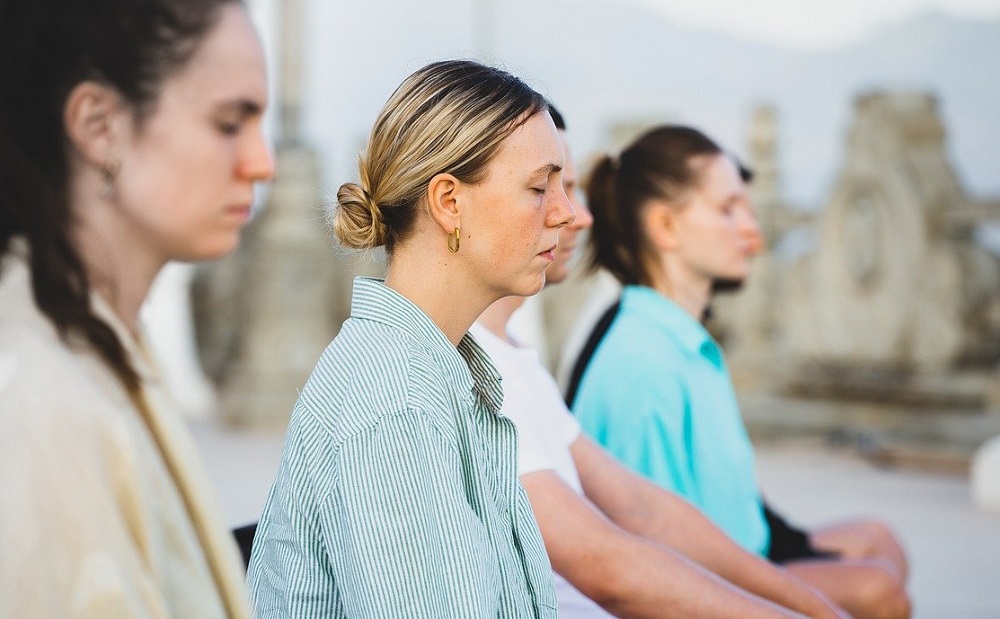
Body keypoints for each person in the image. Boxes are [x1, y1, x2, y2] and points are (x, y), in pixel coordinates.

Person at [473, 106, 846, 619]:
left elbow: (644, 510)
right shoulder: (466, 367)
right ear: (452, 203)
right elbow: (613, 565)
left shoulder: (511, 358)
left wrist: (809, 605)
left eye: (572, 191)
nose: (575, 217)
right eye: (541, 190)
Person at [247, 60, 573, 618]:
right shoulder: (395, 405)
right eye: (540, 187)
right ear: (449, 202)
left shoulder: (441, 376)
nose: (565, 213)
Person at [0, 0, 273, 616]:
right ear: (99, 125)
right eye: (230, 123)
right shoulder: (46, 399)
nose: (263, 163)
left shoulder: (98, 344)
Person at [570, 125, 911, 619]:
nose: (753, 231)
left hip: (746, 548)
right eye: (729, 209)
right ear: (665, 227)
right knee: (878, 591)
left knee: (879, 538)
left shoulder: (679, 336)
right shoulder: (641, 362)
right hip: (706, 574)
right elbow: (651, 549)